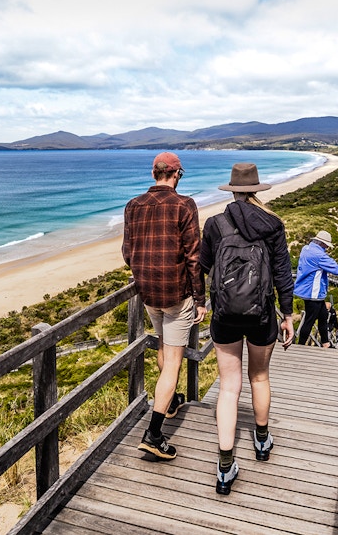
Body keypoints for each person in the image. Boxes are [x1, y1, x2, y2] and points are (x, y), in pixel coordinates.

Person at [200, 163, 295, 495]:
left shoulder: (214, 224)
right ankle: (262, 439)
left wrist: (201, 302)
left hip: (224, 316)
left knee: (229, 387)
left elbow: (202, 268)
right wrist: (288, 315)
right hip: (262, 315)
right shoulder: (272, 224)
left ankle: (225, 465)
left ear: (232, 190)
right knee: (259, 377)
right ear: (256, 190)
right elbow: (283, 274)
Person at [122, 151, 207, 460]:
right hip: (177, 295)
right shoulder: (185, 205)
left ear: (153, 173)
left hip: (149, 294)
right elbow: (193, 258)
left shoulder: (133, 205)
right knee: (173, 361)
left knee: (162, 349)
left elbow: (128, 253)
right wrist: (200, 299)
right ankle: (154, 434)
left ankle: (168, 403)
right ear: (177, 175)